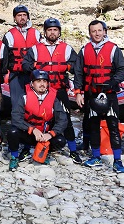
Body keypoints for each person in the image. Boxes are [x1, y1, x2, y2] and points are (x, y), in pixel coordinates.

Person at [22, 17, 81, 163]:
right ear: (45, 32)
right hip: (40, 90)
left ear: (59, 32)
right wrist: (35, 66)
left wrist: (66, 67)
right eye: (49, 30)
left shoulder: (66, 48)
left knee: (66, 120)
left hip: (59, 89)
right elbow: (25, 65)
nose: (52, 32)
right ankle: (26, 148)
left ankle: (73, 151)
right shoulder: (35, 48)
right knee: (32, 118)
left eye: (55, 30)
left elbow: (77, 66)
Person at [74, 20, 124, 173]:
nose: (97, 34)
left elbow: (123, 70)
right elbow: (78, 73)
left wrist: (112, 82)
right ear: (89, 33)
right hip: (92, 94)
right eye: (93, 31)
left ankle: (118, 161)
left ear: (104, 31)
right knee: (93, 126)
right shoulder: (85, 50)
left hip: (109, 95)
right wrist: (78, 93)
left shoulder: (113, 49)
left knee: (113, 127)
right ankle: (96, 156)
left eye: (99, 30)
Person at [7, 70, 69, 172]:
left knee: (60, 141)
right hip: (29, 133)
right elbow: (16, 118)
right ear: (32, 83)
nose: (42, 84)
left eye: (44, 81)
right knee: (12, 132)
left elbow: (63, 120)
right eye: (38, 81)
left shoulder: (54, 99)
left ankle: (45, 152)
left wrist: (51, 134)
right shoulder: (24, 97)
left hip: (45, 135)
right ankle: (14, 157)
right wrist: (32, 129)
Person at [3, 5, 42, 101]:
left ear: (28, 17)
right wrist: (6, 73)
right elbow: (5, 57)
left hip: (33, 74)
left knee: (33, 102)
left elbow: (42, 53)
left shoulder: (36, 33)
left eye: (24, 15)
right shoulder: (9, 35)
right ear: (15, 18)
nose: (22, 17)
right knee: (17, 103)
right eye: (19, 15)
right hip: (16, 75)